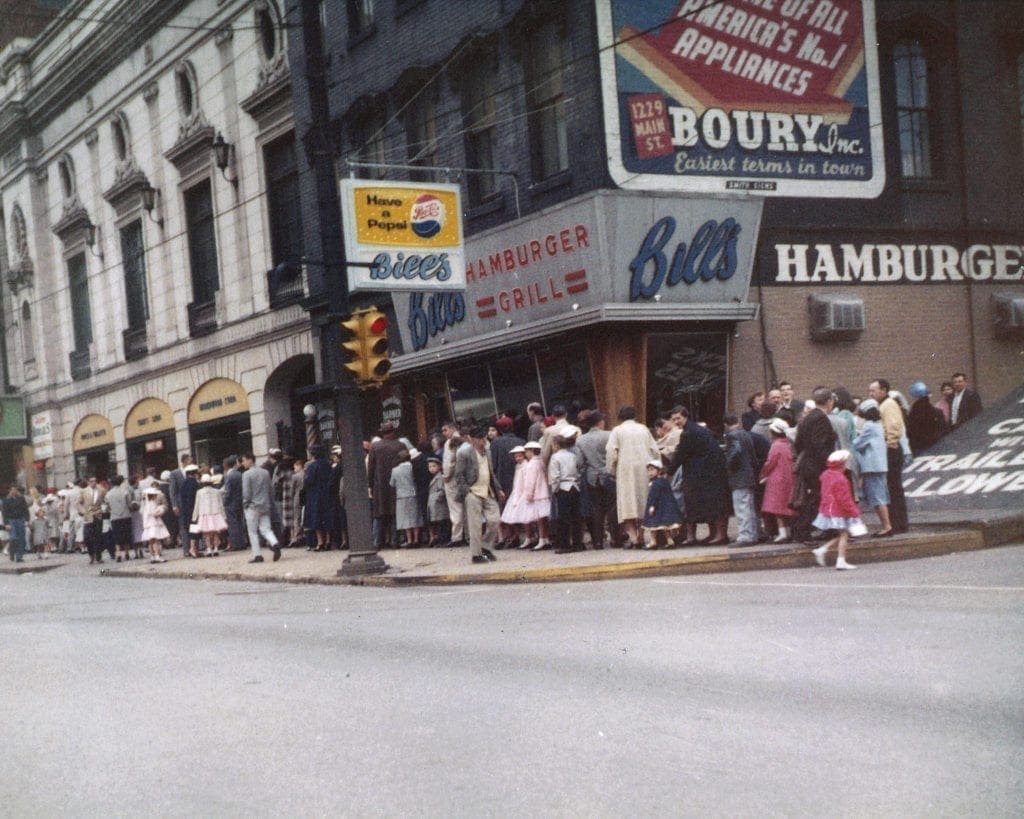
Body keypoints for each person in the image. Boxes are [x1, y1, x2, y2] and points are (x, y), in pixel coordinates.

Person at [669, 406, 731, 545]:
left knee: (709, 504)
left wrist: (668, 471)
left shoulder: (688, 433)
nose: (676, 421)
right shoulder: (696, 429)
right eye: (674, 420)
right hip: (710, 471)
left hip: (704, 473)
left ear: (685, 417)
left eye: (678, 418)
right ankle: (714, 534)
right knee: (712, 503)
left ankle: (719, 535)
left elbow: (681, 455)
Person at [605, 406, 660, 549]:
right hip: (644, 468)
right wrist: (656, 467)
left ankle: (634, 538)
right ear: (634, 416)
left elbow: (611, 451)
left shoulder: (617, 431)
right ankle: (641, 535)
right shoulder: (643, 429)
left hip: (625, 470)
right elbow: (654, 449)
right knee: (643, 501)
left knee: (627, 504)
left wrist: (611, 469)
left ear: (620, 417)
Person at [791, 387, 838, 544]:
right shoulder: (821, 419)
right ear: (829, 402)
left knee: (815, 498)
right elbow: (820, 446)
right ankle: (802, 531)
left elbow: (798, 443)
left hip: (808, 464)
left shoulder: (808, 417)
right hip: (817, 466)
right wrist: (829, 464)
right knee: (816, 499)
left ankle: (827, 529)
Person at [454, 425, 503, 564]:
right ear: (473, 440)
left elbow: (490, 472)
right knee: (475, 525)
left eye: (485, 437)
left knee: (494, 520)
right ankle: (476, 554)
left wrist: (498, 488)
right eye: (480, 438)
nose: (484, 440)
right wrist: (467, 491)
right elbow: (459, 475)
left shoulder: (488, 451)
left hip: (487, 490)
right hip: (473, 491)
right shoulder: (464, 453)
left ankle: (486, 547)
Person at [810, 450, 865, 571]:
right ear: (841, 465)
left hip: (829, 510)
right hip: (839, 511)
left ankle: (823, 550)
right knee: (844, 534)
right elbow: (844, 499)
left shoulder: (826, 475)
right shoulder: (841, 479)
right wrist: (854, 512)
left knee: (843, 534)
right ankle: (840, 560)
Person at [868, 379, 909, 535]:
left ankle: (899, 523)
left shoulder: (889, 405)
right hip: (889, 449)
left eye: (873, 390)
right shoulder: (883, 405)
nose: (871, 394)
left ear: (884, 390)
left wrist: (890, 444)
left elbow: (893, 426)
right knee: (892, 487)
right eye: (870, 391)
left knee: (893, 487)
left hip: (891, 449)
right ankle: (897, 522)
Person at [575, 411, 618, 550]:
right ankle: (616, 539)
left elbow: (580, 461)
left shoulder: (581, 440)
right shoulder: (609, 435)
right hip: (609, 474)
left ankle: (598, 541)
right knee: (612, 507)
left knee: (596, 509)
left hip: (592, 476)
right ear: (600, 422)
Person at [853, 399, 893, 538]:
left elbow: (858, 444)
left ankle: (887, 526)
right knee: (879, 496)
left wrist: (852, 440)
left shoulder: (869, 426)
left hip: (872, 466)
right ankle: (886, 525)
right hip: (879, 465)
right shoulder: (877, 424)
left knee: (878, 497)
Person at [367, 422, 406, 548]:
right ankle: (395, 541)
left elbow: (371, 468)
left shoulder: (375, 447)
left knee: (378, 515)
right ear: (393, 431)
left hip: (379, 485)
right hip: (396, 484)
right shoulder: (400, 445)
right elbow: (406, 462)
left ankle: (376, 542)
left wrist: (371, 485)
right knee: (395, 512)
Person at [724, 414, 759, 546]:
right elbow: (752, 456)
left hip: (739, 476)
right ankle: (753, 534)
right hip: (749, 474)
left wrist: (729, 465)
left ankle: (745, 536)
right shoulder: (745, 433)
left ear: (726, 425)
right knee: (749, 507)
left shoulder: (732, 435)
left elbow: (736, 451)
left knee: (741, 507)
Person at [548, 430, 584, 554]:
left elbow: (555, 476)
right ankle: (577, 543)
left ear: (556, 445)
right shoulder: (572, 456)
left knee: (563, 518)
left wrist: (555, 490)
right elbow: (578, 470)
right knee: (576, 517)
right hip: (574, 486)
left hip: (563, 487)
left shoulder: (555, 457)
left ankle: (564, 544)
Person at [760, 418, 796, 543]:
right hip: (789, 478)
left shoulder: (776, 445)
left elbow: (770, 463)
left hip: (777, 480)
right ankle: (788, 532)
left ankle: (782, 534)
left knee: (777, 509)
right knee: (786, 507)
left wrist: (763, 474)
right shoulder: (788, 444)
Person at [241, 453, 281, 563]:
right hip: (265, 505)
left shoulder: (246, 474)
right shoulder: (265, 472)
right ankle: (274, 543)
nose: (243, 463)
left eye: (244, 460)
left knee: (252, 532)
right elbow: (270, 489)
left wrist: (245, 503)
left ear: (250, 460)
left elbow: (246, 492)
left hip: (252, 506)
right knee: (266, 528)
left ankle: (257, 555)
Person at [642, 460, 682, 549]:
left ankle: (653, 542)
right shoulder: (663, 481)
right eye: (648, 470)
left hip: (657, 509)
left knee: (653, 526)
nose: (650, 472)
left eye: (652, 470)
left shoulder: (656, 483)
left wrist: (652, 506)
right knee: (664, 527)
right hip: (664, 508)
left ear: (659, 471)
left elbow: (654, 496)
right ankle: (669, 540)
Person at [389, 447, 423, 548]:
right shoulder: (412, 467)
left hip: (401, 496)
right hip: (413, 493)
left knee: (405, 519)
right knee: (415, 517)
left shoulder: (395, 470)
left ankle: (409, 540)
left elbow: (392, 483)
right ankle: (416, 539)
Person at [302, 444, 333, 551]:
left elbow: (308, 481)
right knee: (326, 517)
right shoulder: (327, 464)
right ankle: (328, 540)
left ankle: (320, 542)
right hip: (326, 493)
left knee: (316, 518)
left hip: (314, 495)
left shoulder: (312, 466)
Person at [440, 420, 466, 548]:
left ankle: (457, 537)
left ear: (452, 428)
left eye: (445, 430)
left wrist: (446, 476)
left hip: (452, 478)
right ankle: (464, 535)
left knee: (455, 508)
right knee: (462, 507)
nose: (444, 433)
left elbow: (450, 461)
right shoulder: (461, 439)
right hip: (460, 478)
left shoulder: (451, 442)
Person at [193, 473, 227, 556]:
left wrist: (194, 516)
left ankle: (209, 549)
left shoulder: (199, 492)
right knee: (215, 532)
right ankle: (216, 548)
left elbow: (197, 504)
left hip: (204, 514)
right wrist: (224, 515)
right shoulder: (216, 491)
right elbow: (220, 504)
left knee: (206, 533)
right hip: (215, 513)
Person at [907, 381, 945, 455]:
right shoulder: (936, 411)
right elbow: (942, 429)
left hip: (918, 447)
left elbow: (911, 431)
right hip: (935, 446)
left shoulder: (914, 413)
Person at [77, 476, 107, 564]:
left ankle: (98, 556)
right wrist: (82, 511)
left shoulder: (101, 490)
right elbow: (79, 503)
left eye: (95, 481)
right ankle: (91, 555)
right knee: (87, 537)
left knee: (98, 536)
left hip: (97, 515)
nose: (93, 483)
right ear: (88, 482)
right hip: (88, 516)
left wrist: (104, 509)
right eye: (91, 481)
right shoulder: (83, 491)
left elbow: (105, 500)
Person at [105, 475, 133, 562]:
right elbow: (129, 504)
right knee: (126, 534)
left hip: (115, 517)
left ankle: (118, 553)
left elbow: (107, 507)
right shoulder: (125, 492)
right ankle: (127, 553)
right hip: (126, 515)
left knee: (117, 536)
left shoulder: (108, 494)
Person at [221, 456, 246, 552]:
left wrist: (224, 502)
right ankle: (242, 543)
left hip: (231, 503)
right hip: (239, 501)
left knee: (232, 524)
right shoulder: (239, 474)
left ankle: (235, 544)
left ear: (226, 465)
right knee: (239, 523)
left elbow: (228, 491)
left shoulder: (229, 476)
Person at [141, 485, 169, 563]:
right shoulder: (152, 503)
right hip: (154, 523)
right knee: (156, 540)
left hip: (148, 524)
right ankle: (157, 555)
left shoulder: (146, 504)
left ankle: (152, 556)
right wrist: (160, 510)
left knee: (150, 541)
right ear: (153, 495)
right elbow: (153, 513)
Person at [426, 456, 450, 547]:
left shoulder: (439, 478)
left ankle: (442, 541)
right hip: (434, 505)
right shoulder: (434, 477)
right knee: (438, 523)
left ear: (439, 466)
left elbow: (442, 489)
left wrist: (437, 498)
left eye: (434, 466)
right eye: (430, 467)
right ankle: (440, 540)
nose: (431, 469)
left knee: (441, 523)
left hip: (439, 504)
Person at [3, 485, 29, 563]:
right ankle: (11, 552)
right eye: (12, 490)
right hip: (11, 520)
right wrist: (6, 523)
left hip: (20, 519)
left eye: (15, 490)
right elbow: (4, 513)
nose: (14, 491)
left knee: (21, 538)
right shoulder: (6, 500)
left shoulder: (21, 499)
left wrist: (27, 520)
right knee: (13, 538)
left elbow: (25, 510)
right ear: (9, 491)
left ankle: (19, 556)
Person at [180, 464, 200, 558]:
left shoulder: (183, 483)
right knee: (195, 529)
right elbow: (194, 497)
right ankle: (193, 548)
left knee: (189, 529)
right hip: (193, 509)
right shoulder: (194, 483)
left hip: (185, 510)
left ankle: (194, 549)